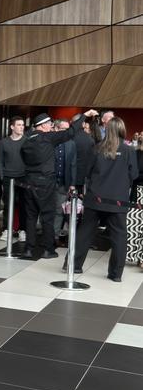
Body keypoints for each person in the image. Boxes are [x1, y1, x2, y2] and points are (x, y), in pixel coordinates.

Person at [71, 117, 137, 282]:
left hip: (95, 198)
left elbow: (88, 171)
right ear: (122, 130)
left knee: (85, 233)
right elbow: (134, 174)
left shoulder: (97, 148)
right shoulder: (129, 151)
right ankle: (116, 275)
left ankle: (73, 265)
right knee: (119, 237)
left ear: (107, 130)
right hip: (118, 201)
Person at [20, 112, 87, 259]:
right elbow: (70, 132)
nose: (51, 126)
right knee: (47, 216)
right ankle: (47, 249)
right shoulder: (47, 137)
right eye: (50, 124)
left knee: (31, 217)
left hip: (28, 182)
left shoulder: (26, 139)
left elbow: (23, 157)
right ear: (43, 125)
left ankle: (28, 249)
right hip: (45, 182)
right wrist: (84, 116)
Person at [0, 116, 27, 242]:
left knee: (23, 205)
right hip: (8, 178)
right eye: (19, 125)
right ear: (12, 127)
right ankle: (6, 230)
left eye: (22, 125)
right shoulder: (3, 142)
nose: (21, 127)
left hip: (23, 178)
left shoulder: (27, 141)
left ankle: (22, 230)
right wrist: (2, 177)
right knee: (8, 205)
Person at [52, 119, 77, 247]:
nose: (67, 132)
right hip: (48, 183)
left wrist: (72, 184)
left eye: (68, 130)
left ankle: (54, 236)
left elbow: (73, 164)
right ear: (56, 129)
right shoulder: (50, 141)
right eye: (64, 129)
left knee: (59, 211)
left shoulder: (71, 143)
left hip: (63, 183)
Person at [126, 138, 143, 267]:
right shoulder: (135, 153)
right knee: (134, 227)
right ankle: (133, 256)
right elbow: (133, 174)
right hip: (137, 193)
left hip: (138, 190)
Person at [73, 113, 96, 193]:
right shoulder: (90, 139)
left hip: (67, 177)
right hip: (84, 176)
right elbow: (92, 160)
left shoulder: (67, 137)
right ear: (83, 124)